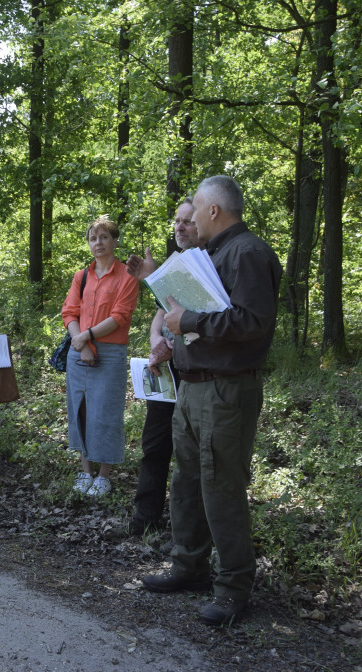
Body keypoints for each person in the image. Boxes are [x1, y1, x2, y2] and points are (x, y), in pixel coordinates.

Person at [142, 175, 281, 627]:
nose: (191, 218)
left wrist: (188, 320)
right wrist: (172, 340)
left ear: (214, 211)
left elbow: (252, 322)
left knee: (221, 486)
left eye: (196, 210)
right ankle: (190, 566)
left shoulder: (249, 253)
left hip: (227, 389)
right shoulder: (208, 255)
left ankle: (233, 587)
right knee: (187, 482)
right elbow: (198, 320)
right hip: (194, 385)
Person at [127, 199, 205, 536]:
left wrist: (170, 346)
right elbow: (163, 314)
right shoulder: (177, 263)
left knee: (194, 457)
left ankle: (193, 533)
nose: (181, 226)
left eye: (188, 220)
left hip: (198, 374)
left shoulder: (208, 264)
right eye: (177, 220)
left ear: (203, 223)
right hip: (167, 372)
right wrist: (157, 340)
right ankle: (145, 518)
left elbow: (205, 321)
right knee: (155, 444)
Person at [62, 216, 140, 498]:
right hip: (79, 350)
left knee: (105, 414)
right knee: (80, 410)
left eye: (104, 237)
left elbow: (120, 316)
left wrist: (87, 337)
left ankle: (104, 475)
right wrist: (80, 342)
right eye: (94, 238)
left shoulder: (127, 276)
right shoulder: (81, 276)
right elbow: (69, 313)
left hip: (109, 353)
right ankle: (85, 470)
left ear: (114, 241)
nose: (99, 243)